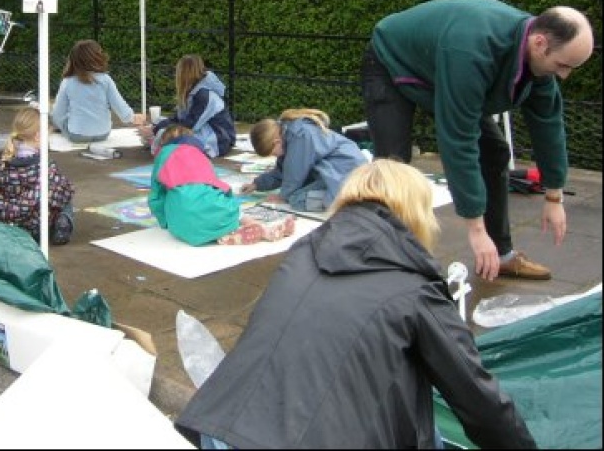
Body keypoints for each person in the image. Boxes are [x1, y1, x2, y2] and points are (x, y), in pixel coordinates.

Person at [175, 159, 537, 450]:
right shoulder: (413, 289)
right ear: (415, 213)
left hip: (220, 428)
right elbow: (479, 400)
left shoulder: (303, 253)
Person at [361, 0, 595, 282]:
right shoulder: (473, 52)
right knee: (393, 166)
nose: (564, 75)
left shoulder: (537, 56)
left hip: (440, 64)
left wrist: (554, 196)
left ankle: (501, 256)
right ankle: (378, 261)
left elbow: (549, 125)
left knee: (494, 152)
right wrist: (475, 229)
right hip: (390, 59)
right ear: (539, 43)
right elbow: (459, 138)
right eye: (562, 65)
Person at [149, 125, 296, 246]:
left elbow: (156, 196)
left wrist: (165, 222)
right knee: (231, 212)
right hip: (214, 211)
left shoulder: (163, 156)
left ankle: (224, 237)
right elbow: (217, 185)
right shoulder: (200, 156)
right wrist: (229, 201)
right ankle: (261, 229)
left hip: (182, 226)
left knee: (183, 210)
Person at [240, 108, 367, 212]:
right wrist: (257, 184)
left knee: (297, 200)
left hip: (346, 170)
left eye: (273, 153)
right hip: (337, 168)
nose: (275, 156)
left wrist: (282, 197)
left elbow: (294, 175)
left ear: (276, 142)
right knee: (296, 192)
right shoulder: (287, 133)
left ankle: (347, 197)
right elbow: (283, 172)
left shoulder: (299, 136)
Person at [0, 106, 75, 245]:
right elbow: (63, 191)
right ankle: (62, 226)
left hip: (11, 223)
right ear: (38, 136)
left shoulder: (4, 160)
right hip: (38, 227)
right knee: (65, 193)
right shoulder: (44, 165)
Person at [139, 54, 236, 158]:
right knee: (160, 123)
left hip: (220, 139)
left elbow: (189, 125)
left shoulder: (203, 94)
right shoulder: (195, 90)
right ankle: (156, 139)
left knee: (169, 135)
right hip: (207, 131)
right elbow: (178, 118)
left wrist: (157, 131)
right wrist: (155, 127)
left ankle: (158, 142)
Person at [51, 39, 145, 143]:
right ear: (97, 57)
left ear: (73, 60)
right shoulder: (106, 79)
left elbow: (58, 113)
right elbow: (119, 105)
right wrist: (131, 117)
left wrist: (60, 124)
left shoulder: (67, 82)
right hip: (103, 134)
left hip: (77, 135)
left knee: (63, 121)